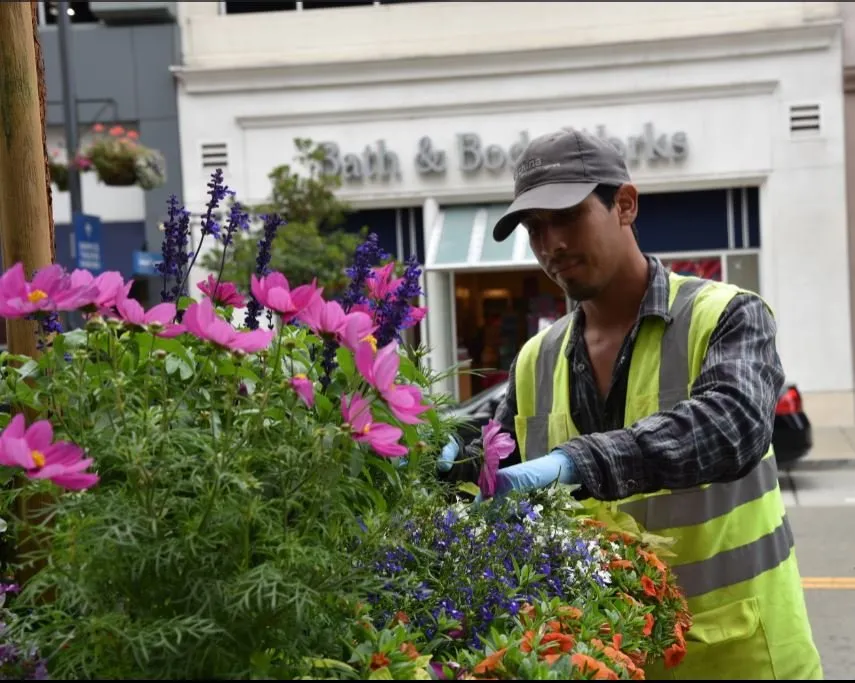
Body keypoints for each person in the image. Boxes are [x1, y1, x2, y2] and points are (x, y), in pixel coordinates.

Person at [438, 128, 822, 680]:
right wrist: (446, 450)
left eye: (566, 216)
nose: (551, 244)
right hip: (607, 663)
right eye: (534, 228)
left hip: (742, 658)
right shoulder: (534, 360)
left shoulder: (727, 315)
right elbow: (501, 458)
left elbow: (732, 423)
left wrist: (578, 462)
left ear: (625, 204)